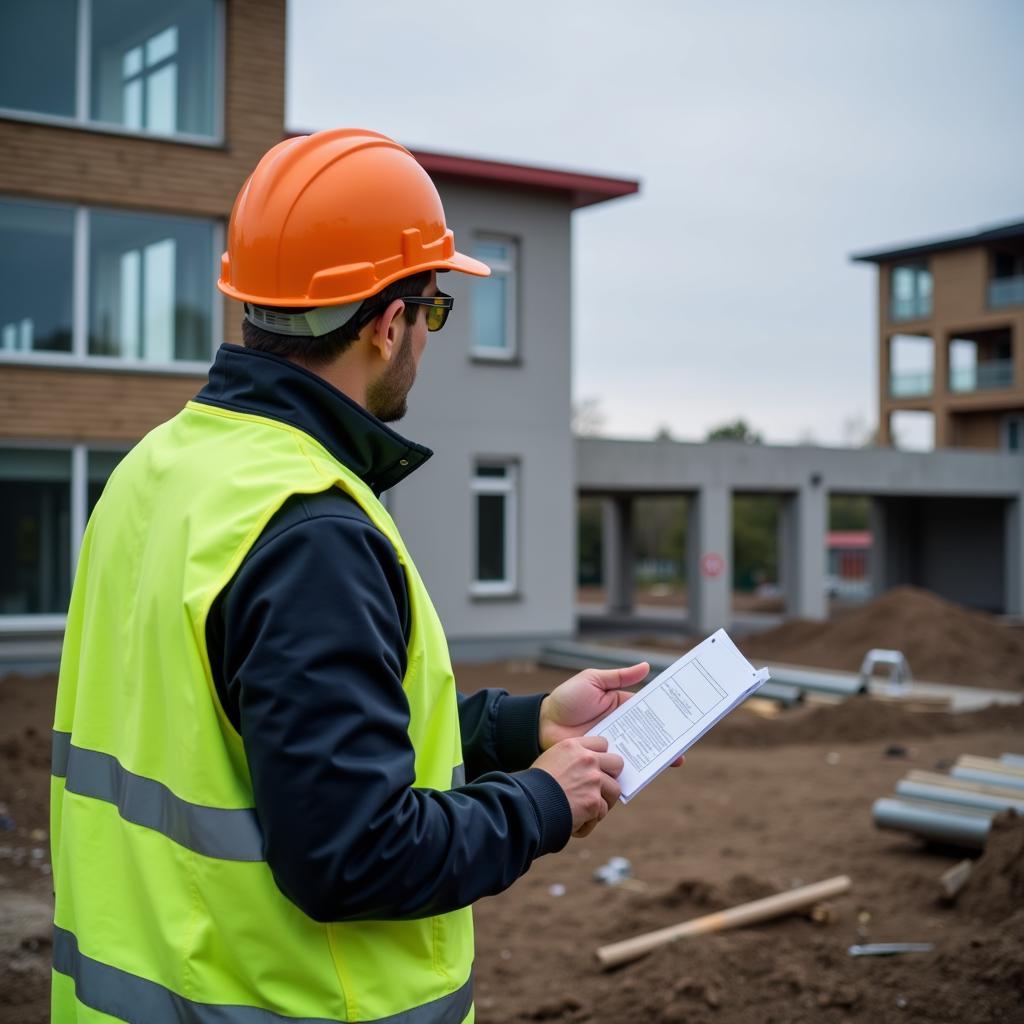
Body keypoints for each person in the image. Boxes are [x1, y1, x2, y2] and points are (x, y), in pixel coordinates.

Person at [50, 128, 657, 1024]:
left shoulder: (158, 470)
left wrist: (525, 726)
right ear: (386, 323)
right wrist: (540, 805)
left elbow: (276, 730)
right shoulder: (310, 529)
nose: (428, 335)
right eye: (433, 310)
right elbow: (353, 851)